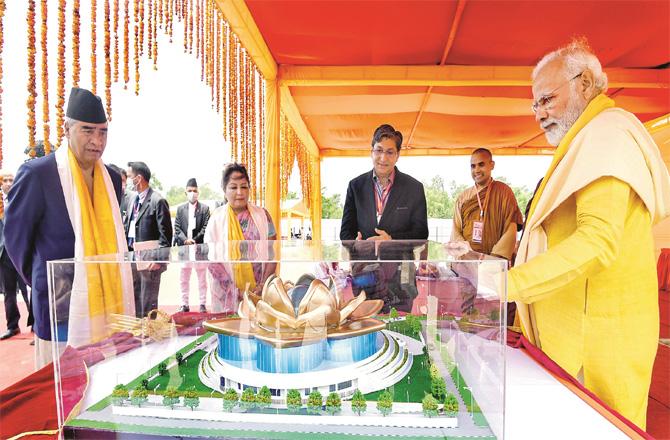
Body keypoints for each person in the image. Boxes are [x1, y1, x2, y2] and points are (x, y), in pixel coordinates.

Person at [508, 38, 670, 429]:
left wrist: (502, 286)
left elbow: (597, 242)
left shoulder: (609, 133)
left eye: (546, 99)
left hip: (596, 349)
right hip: (572, 340)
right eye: (535, 105)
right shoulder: (587, 137)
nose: (539, 114)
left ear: (584, 83)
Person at [4, 88, 131, 367]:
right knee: (60, 396)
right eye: (87, 130)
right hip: (58, 307)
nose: (97, 141)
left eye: (103, 132)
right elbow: (16, 242)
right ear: (67, 128)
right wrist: (44, 279)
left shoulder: (112, 177)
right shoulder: (38, 173)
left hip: (108, 306)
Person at [204, 163, 276, 313]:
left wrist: (262, 285)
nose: (239, 192)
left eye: (244, 187)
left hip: (259, 293)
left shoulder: (263, 215)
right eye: (233, 187)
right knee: (230, 332)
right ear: (224, 191)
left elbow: (273, 252)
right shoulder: (216, 218)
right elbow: (211, 260)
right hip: (226, 294)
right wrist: (233, 290)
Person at [340, 124, 428, 241]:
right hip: (363, 258)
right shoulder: (355, 186)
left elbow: (421, 233)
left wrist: (392, 240)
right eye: (379, 150)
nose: (383, 158)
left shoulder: (414, 188)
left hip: (399, 259)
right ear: (372, 152)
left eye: (390, 152)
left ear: (397, 155)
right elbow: (345, 232)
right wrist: (355, 244)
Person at [451, 148, 523, 260]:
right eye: (473, 166)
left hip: (494, 262)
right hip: (468, 261)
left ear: (492, 165)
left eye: (481, 164)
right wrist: (467, 254)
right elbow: (456, 230)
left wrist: (493, 259)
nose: (477, 170)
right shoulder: (463, 197)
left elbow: (511, 228)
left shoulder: (504, 192)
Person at [125, 161, 173, 318]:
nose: (128, 179)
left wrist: (159, 260)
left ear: (138, 178)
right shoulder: (133, 200)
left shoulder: (157, 201)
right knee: (136, 298)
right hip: (134, 257)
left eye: (130, 176)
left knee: (148, 301)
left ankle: (150, 333)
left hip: (150, 261)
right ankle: (139, 332)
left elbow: (165, 235)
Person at [0, 170, 33, 340]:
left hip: (22, 252)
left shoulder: (23, 200)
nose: (7, 183)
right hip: (4, 255)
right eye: (4, 180)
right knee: (9, 292)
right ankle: (12, 326)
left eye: (10, 180)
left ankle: (36, 326)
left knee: (31, 289)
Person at [173, 178, 211, 313]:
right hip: (185, 249)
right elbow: (177, 228)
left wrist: (194, 240)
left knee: (201, 279)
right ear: (185, 192)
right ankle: (184, 304)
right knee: (184, 278)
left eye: (195, 191)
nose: (192, 193)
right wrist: (185, 240)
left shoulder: (205, 209)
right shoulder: (180, 209)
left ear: (198, 193)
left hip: (199, 248)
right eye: (190, 191)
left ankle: (202, 304)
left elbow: (206, 227)